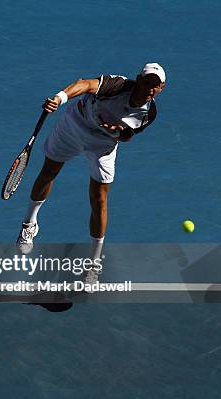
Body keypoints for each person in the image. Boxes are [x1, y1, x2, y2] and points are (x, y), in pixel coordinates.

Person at [17, 63, 166, 283]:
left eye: (155, 85)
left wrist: (119, 132)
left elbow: (128, 135)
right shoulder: (118, 85)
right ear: (138, 79)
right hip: (75, 125)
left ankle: (93, 266)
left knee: (99, 200)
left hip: (103, 144)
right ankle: (29, 224)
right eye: (147, 82)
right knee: (48, 172)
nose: (149, 89)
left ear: (161, 88)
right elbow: (85, 84)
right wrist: (60, 98)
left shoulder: (149, 114)